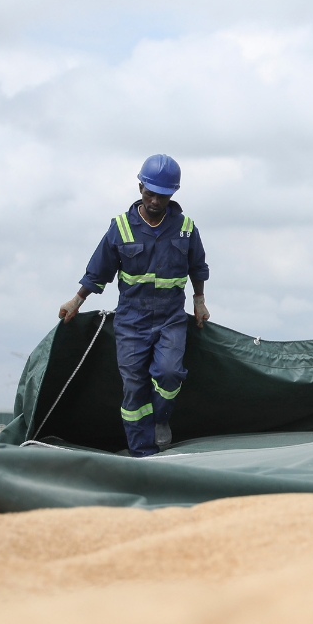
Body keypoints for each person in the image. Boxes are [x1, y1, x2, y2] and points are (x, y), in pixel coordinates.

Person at [58, 154, 210, 457]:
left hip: (170, 319)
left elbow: (198, 268)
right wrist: (77, 300)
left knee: (169, 373)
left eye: (162, 195)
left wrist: (200, 301)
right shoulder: (120, 228)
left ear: (173, 194)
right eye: (149, 193)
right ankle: (142, 453)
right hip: (131, 320)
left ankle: (160, 420)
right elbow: (97, 271)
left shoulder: (185, 228)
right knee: (134, 387)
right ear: (139, 187)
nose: (154, 200)